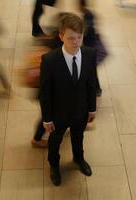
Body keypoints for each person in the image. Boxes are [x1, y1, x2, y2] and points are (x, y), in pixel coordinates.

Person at [39, 12, 97, 186]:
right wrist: (47, 118)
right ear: (61, 36)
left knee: (78, 137)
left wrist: (92, 108)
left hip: (80, 111)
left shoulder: (89, 54)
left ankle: (79, 159)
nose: (76, 42)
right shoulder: (49, 60)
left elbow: (91, 83)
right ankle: (54, 166)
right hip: (58, 114)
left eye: (79, 37)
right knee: (55, 141)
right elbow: (45, 92)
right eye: (71, 38)